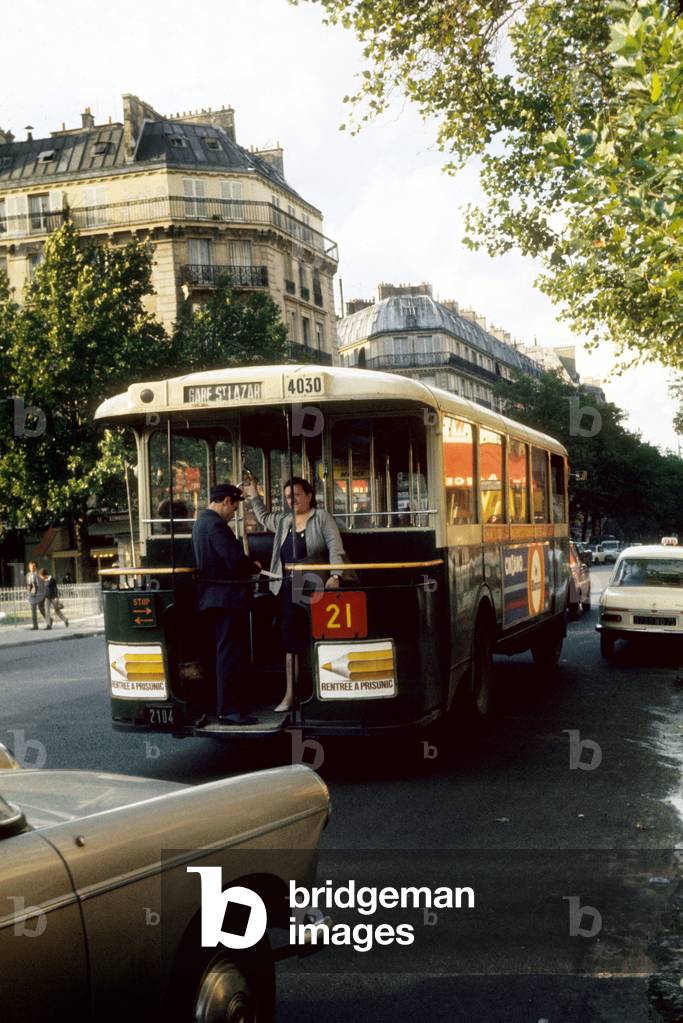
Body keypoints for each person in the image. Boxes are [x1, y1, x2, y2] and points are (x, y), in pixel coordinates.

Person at [243, 474, 347, 712]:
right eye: (289, 496)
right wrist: (253, 495)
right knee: (289, 640)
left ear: (309, 496)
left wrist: (335, 574)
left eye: (297, 495)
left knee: (314, 637)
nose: (293, 500)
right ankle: (290, 694)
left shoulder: (322, 518)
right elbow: (263, 517)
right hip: (286, 587)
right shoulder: (284, 521)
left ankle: (320, 692)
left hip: (313, 587)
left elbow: (335, 547)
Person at [192, 484, 261, 726]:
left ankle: (227, 707)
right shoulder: (216, 525)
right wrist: (254, 567)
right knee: (230, 655)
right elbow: (233, 560)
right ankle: (229, 710)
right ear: (225, 501)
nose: (234, 512)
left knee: (224, 653)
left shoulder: (200, 523)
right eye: (234, 506)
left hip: (213, 597)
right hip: (227, 598)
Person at [25, 561, 46, 630]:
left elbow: (40, 585)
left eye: (32, 566)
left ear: (35, 566)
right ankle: (35, 626)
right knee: (33, 611)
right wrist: (28, 593)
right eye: (30, 566)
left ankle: (49, 619)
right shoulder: (28, 575)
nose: (31, 567)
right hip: (32, 594)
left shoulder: (39, 574)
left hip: (39, 594)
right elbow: (28, 585)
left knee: (41, 609)